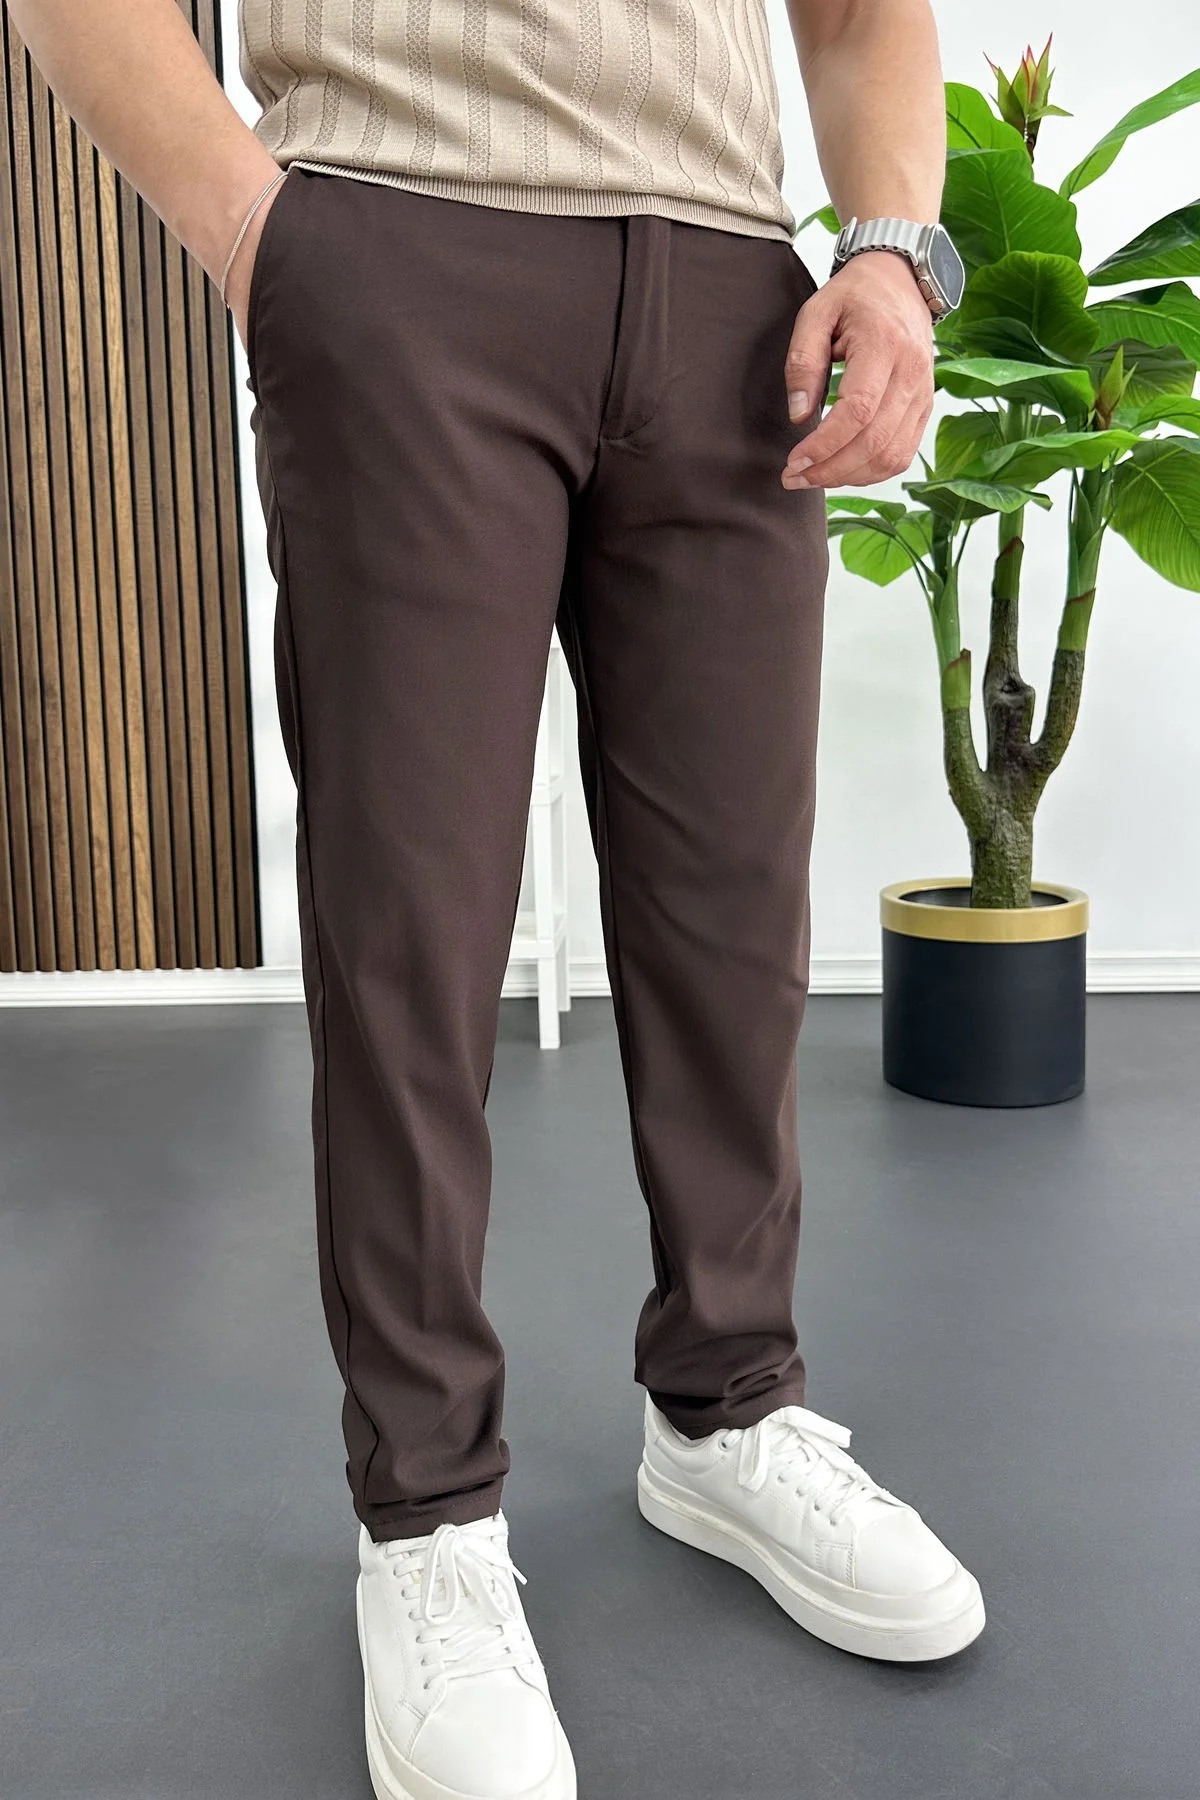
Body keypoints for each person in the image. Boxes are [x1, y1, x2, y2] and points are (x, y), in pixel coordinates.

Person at [12, 0, 984, 1792]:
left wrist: (889, 252)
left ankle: (729, 1410)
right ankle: (429, 1516)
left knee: (732, 925)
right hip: (403, 239)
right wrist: (261, 235)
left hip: (732, 294)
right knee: (414, 939)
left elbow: (859, 15)